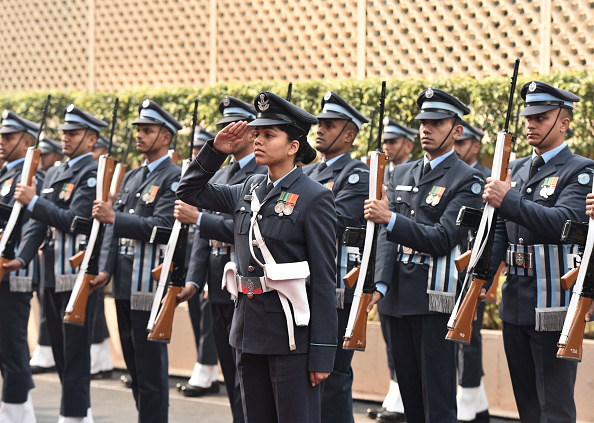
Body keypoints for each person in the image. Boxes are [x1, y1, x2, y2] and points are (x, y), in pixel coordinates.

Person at [177, 91, 338, 423]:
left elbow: (324, 279)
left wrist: (322, 353)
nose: (258, 140)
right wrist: (214, 151)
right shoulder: (248, 187)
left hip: (291, 335)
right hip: (247, 330)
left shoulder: (314, 197)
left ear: (293, 146)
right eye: (257, 134)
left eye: (269, 135)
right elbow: (188, 192)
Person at [365, 88, 484, 422]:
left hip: (434, 299)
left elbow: (444, 238)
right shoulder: (401, 172)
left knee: (438, 401)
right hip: (397, 299)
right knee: (411, 398)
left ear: (456, 131)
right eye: (422, 122)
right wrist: (381, 284)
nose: (426, 128)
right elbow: (387, 239)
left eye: (436, 122)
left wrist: (390, 218)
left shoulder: (468, 179)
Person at [482, 81, 594, 423]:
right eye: (528, 117)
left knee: (555, 408)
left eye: (541, 118)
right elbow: (499, 228)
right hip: (515, 301)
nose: (531, 124)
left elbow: (563, 222)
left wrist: (509, 199)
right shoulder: (514, 168)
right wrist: (482, 280)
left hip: (552, 303)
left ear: (564, 122)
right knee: (528, 406)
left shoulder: (580, 171)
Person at [5, 104, 107, 423]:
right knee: (62, 353)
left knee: (75, 354)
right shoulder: (54, 172)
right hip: (51, 273)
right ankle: (78, 414)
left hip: (76, 275)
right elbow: (37, 223)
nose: (65, 138)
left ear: (91, 139)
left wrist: (34, 201)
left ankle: (73, 416)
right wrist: (21, 257)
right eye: (63, 132)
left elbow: (77, 221)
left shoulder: (90, 174)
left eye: (73, 133)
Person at [90, 99, 182, 423]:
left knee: (151, 370)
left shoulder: (173, 177)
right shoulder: (132, 177)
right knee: (134, 367)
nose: (140, 136)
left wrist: (115, 217)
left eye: (148, 130)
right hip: (125, 284)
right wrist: (104, 268)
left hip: (150, 283)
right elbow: (113, 232)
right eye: (139, 130)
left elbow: (166, 227)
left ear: (166, 137)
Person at [176, 96, 266, 423]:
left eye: (234, 127)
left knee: (248, 376)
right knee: (230, 373)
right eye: (222, 129)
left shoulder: (261, 173)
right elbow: (203, 239)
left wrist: (199, 219)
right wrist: (193, 279)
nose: (227, 133)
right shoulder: (217, 175)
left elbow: (246, 230)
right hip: (217, 283)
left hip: (246, 283)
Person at [302, 91, 369, 423]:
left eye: (329, 125)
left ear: (349, 135)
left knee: (334, 380)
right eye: (319, 124)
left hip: (336, 291)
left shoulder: (356, 176)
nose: (320, 130)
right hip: (306, 287)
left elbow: (336, 223)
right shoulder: (310, 174)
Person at [367, 117, 418, 423]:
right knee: (393, 345)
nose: (387, 147)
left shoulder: (409, 174)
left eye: (394, 142)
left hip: (419, 273)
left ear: (407, 145)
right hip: (391, 273)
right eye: (385, 142)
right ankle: (396, 394)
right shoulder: (387, 176)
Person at [0, 110, 45, 423]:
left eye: (9, 137)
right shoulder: (5, 175)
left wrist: (20, 260)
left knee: (12, 343)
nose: (2, 142)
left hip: (13, 272)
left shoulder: (31, 178)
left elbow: (36, 224)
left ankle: (17, 412)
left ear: (27, 141)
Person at [174, 126, 221, 398]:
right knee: (197, 316)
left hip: (218, 260)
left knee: (207, 319)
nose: (196, 157)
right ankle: (205, 368)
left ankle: (206, 368)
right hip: (197, 257)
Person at [453, 121, 490, 423]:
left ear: (475, 146)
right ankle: (477, 406)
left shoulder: (488, 179)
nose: (456, 149)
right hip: (453, 265)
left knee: (469, 336)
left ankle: (468, 396)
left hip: (475, 266)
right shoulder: (453, 176)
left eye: (462, 144)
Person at [29, 134, 63, 375]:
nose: (42, 159)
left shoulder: (45, 177)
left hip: (66, 259)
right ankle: (45, 350)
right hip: (47, 253)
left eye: (47, 154)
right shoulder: (49, 177)